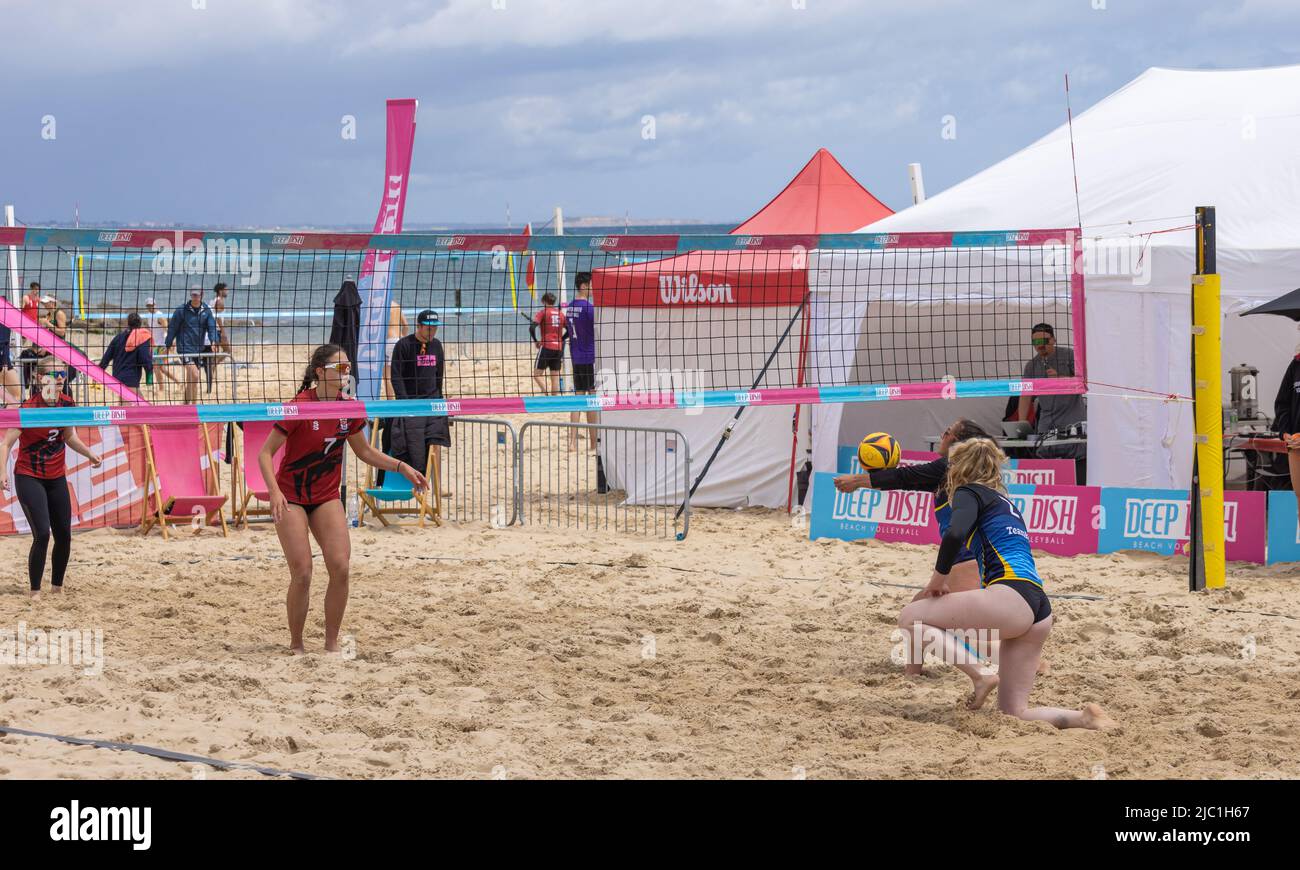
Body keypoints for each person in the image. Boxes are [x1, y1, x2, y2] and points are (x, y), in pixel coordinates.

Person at [896, 437, 1115, 730]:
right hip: (1039, 608)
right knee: (1014, 711)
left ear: (957, 468)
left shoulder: (968, 491)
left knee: (911, 616)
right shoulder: (1005, 503)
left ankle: (980, 675)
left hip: (1010, 596)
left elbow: (954, 534)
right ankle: (1083, 718)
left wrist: (939, 579)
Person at [258, 344, 427, 654]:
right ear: (321, 372)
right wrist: (274, 491)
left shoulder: (347, 408)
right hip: (291, 496)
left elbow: (365, 452)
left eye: (349, 368)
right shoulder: (298, 405)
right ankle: (296, 644)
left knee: (341, 567)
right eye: (341, 368)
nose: (347, 372)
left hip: (324, 496)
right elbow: (265, 454)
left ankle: (331, 643)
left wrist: (402, 467)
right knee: (303, 572)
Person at [835, 420, 991, 675]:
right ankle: (912, 673)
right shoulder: (954, 473)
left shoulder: (949, 467)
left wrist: (857, 480)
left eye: (947, 431)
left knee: (961, 630)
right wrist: (864, 481)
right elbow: (906, 481)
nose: (942, 434)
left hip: (967, 562)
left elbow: (904, 475)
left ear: (954, 441)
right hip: (967, 560)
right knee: (916, 614)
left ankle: (1023, 665)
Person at [0, 356, 103, 598]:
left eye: (62, 376)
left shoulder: (67, 404)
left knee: (64, 536)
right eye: (54, 376)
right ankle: (35, 592)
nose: (59, 381)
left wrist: (90, 454)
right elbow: (5, 443)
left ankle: (57, 588)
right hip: (29, 475)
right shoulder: (27, 409)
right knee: (43, 534)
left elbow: (69, 437)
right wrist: (1, 472)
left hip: (56, 477)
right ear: (38, 378)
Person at [388, 310, 450, 491]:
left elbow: (439, 375)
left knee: (435, 444)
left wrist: (439, 398)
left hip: (431, 404)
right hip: (411, 404)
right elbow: (396, 377)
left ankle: (436, 487)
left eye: (435, 328)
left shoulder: (437, 346)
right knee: (414, 446)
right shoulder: (404, 345)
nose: (432, 332)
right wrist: (405, 404)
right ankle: (417, 484)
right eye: (429, 328)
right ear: (419, 326)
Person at [164, 287, 220, 404]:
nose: (195, 297)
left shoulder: (206, 311)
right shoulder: (181, 310)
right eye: (193, 295)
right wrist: (168, 345)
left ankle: (184, 403)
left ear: (201, 295)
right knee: (195, 376)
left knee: (191, 379)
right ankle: (194, 406)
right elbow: (172, 328)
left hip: (198, 349)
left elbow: (211, 327)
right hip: (184, 348)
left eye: (197, 295)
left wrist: (213, 341)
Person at [566, 272, 598, 450]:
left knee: (577, 399)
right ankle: (593, 443)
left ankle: (572, 442)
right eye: (591, 285)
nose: (593, 289)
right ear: (584, 286)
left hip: (575, 357)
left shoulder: (570, 307)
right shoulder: (589, 309)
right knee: (591, 400)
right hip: (589, 358)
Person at [1272, 350, 1300, 522]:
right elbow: (1282, 403)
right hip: (1295, 444)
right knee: (1299, 495)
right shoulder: (1296, 364)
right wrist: (1285, 433)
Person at [98, 313, 154, 392]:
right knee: (128, 403)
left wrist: (99, 371)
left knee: (136, 402)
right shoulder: (142, 338)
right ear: (140, 323)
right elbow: (145, 358)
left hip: (117, 376)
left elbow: (107, 356)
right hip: (130, 377)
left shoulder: (118, 337)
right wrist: (149, 373)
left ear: (128, 323)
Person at [530, 292, 569, 395]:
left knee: (537, 375)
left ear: (544, 301)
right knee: (555, 377)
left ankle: (545, 391)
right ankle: (554, 399)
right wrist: (561, 339)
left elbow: (531, 328)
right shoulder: (561, 314)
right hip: (558, 348)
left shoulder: (543, 312)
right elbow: (569, 330)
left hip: (547, 346)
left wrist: (536, 341)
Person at [143, 298, 177, 386]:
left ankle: (161, 389)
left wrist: (172, 342)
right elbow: (150, 330)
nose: (151, 307)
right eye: (149, 306)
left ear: (155, 304)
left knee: (156, 367)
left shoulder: (159, 315)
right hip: (154, 345)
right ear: (147, 307)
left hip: (162, 345)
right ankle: (179, 382)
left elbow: (167, 329)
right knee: (161, 368)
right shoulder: (148, 315)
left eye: (152, 305)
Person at [383, 300, 410, 400]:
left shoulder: (382, 306)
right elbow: (406, 325)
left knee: (387, 376)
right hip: (398, 340)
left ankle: (391, 402)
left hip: (388, 341)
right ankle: (401, 398)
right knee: (398, 373)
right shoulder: (396, 305)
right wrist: (403, 338)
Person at [212, 283, 233, 357]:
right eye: (226, 290)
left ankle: (212, 367)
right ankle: (212, 367)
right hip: (217, 330)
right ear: (220, 291)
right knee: (227, 351)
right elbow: (218, 317)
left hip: (213, 329)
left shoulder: (215, 300)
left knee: (215, 353)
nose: (227, 291)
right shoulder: (219, 302)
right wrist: (223, 332)